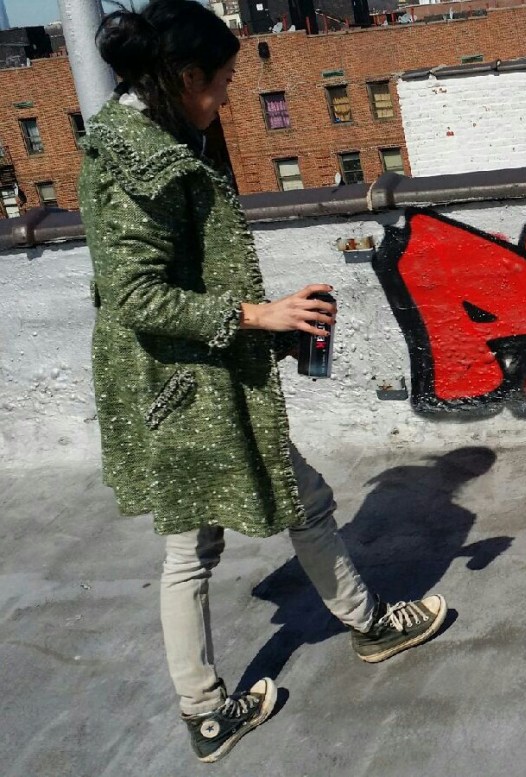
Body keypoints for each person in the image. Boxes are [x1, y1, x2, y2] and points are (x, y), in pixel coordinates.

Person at [78, 0, 447, 764]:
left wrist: (269, 324)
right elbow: (136, 294)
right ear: (185, 78)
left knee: (279, 506)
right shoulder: (140, 162)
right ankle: (213, 707)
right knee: (198, 543)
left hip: (193, 378)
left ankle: (356, 628)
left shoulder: (137, 135)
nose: (224, 98)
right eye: (220, 83)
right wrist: (258, 314)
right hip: (181, 389)